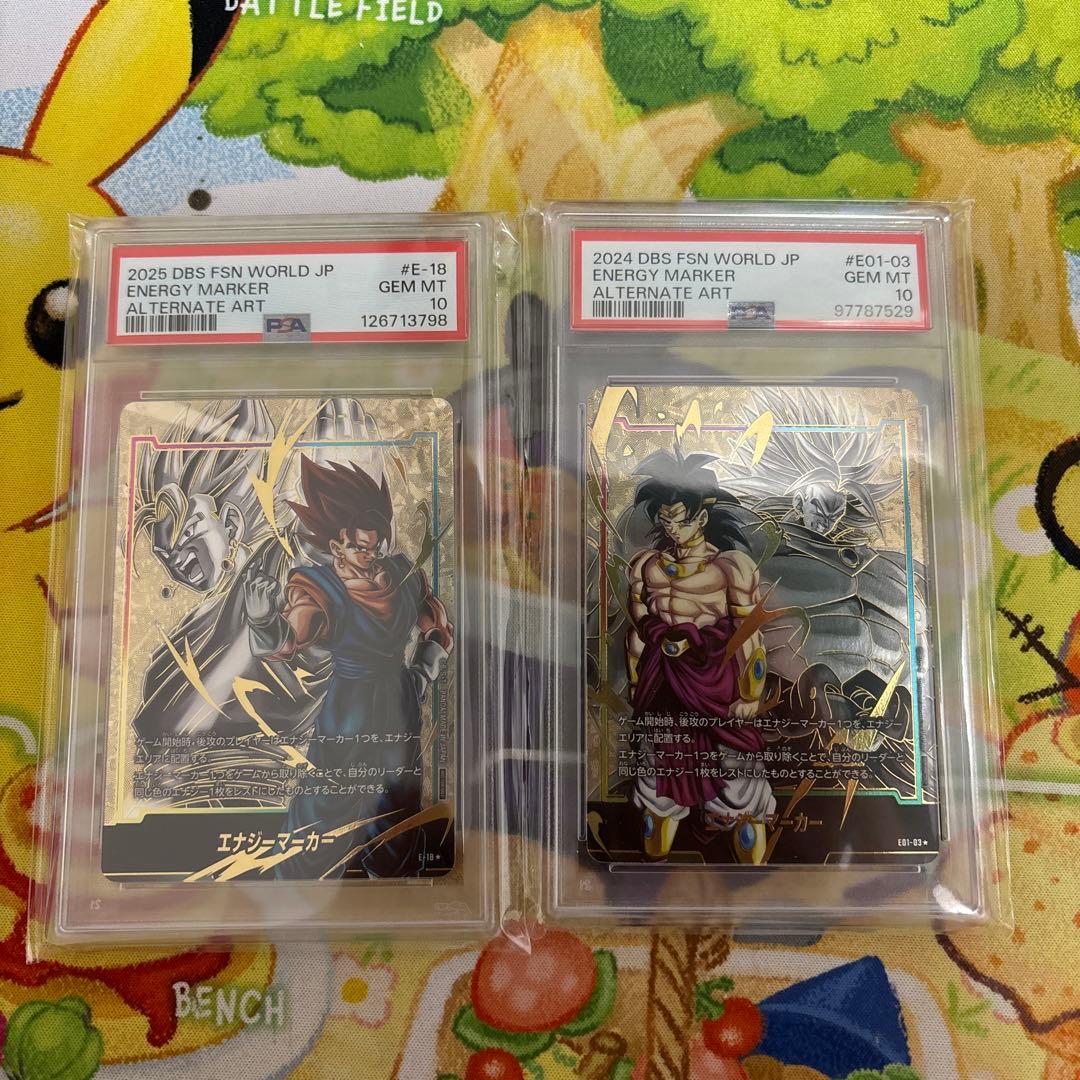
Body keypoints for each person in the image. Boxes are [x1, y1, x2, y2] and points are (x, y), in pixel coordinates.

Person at [243, 455, 452, 879]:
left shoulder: (403, 574)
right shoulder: (320, 587)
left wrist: (419, 676)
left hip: (399, 707)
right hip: (349, 712)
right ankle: (292, 887)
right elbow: (290, 639)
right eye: (360, 546)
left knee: (397, 805)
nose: (370, 554)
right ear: (337, 544)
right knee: (325, 802)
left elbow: (438, 629)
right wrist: (263, 620)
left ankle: (395, 890)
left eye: (376, 545)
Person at [626, 449, 774, 863]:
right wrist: (637, 682)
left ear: (702, 517)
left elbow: (749, 635)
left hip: (717, 686)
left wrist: (751, 693)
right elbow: (637, 630)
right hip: (663, 687)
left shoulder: (730, 567)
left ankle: (754, 883)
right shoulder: (645, 565)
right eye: (666, 520)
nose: (673, 529)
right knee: (656, 793)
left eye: (682, 519)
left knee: (740, 795)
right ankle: (650, 882)